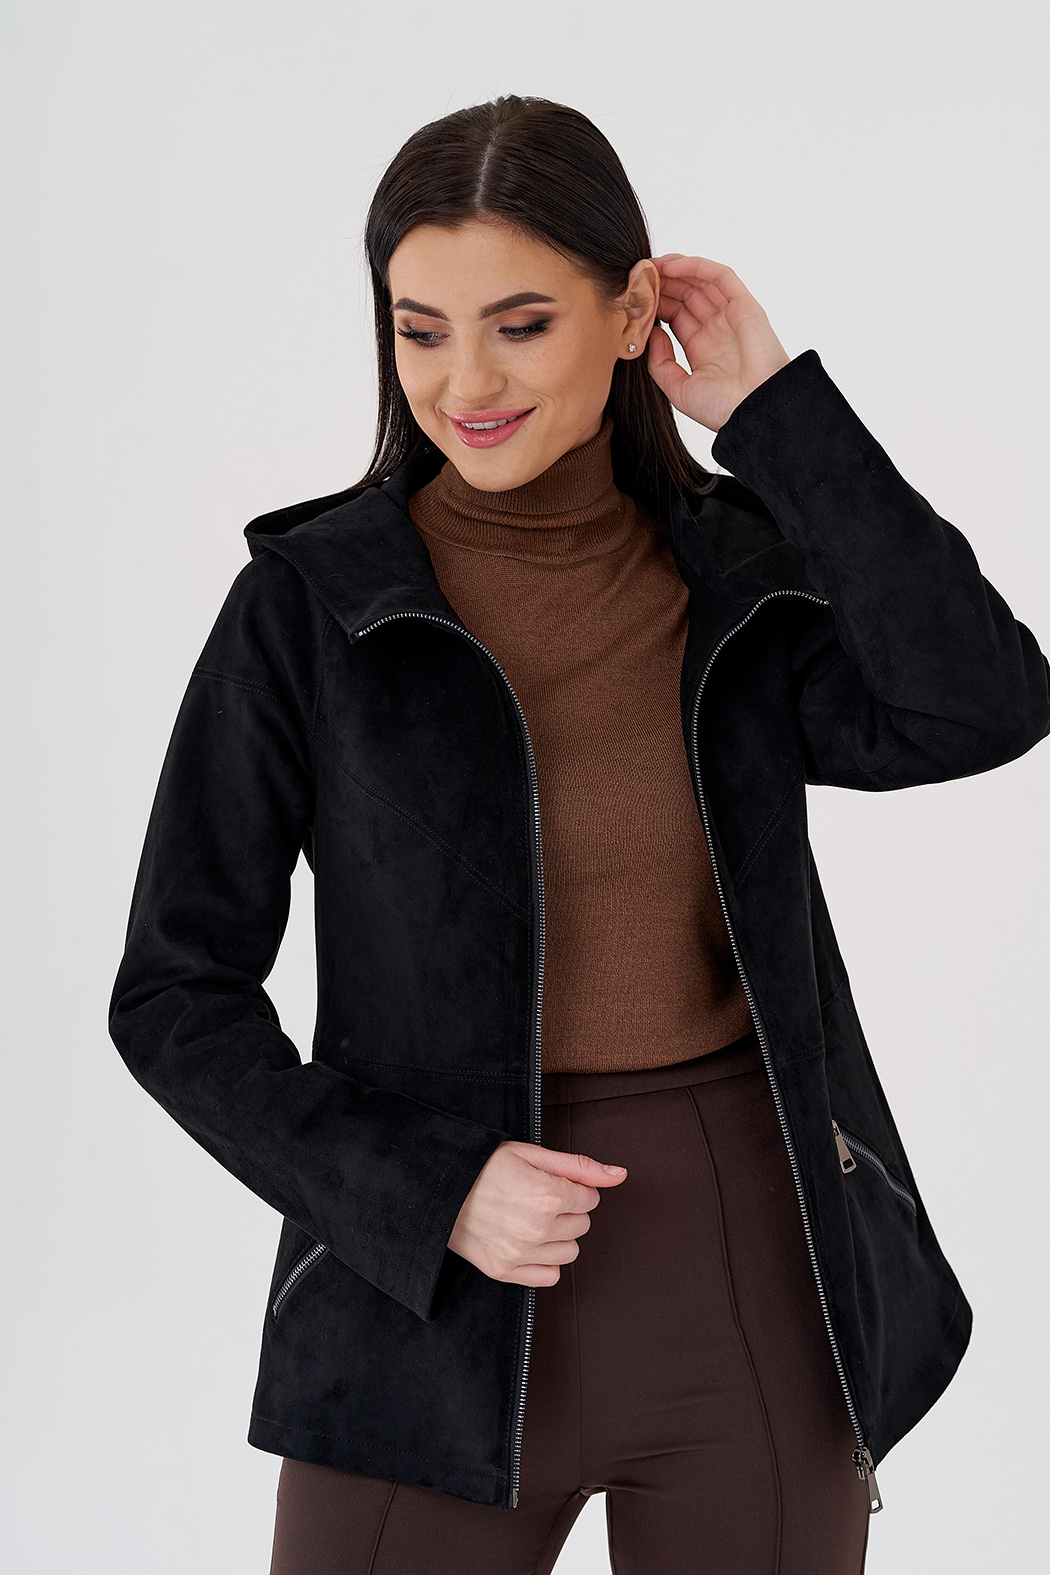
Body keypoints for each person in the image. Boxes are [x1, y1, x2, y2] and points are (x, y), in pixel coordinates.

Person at [108, 95, 1050, 1575]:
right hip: (429, 1290)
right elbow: (174, 993)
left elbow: (978, 705)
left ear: (628, 314)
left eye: (522, 325)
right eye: (421, 331)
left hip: (744, 1262)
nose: (464, 380)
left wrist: (778, 418)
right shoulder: (309, 606)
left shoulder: (739, 577)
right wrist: (422, 1190)